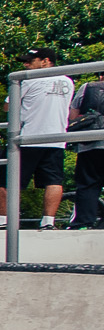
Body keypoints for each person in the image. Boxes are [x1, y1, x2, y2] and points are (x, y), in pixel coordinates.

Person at [0, 47, 74, 230]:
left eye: (30, 61)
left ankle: (2, 222)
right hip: (57, 139)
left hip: (28, 138)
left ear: (46, 61)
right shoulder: (68, 81)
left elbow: (8, 107)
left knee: (5, 180)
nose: (26, 65)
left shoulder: (29, 81)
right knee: (53, 181)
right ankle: (48, 222)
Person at [71, 77, 104, 229]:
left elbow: (72, 117)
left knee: (87, 184)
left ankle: (84, 223)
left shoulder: (88, 87)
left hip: (90, 144)